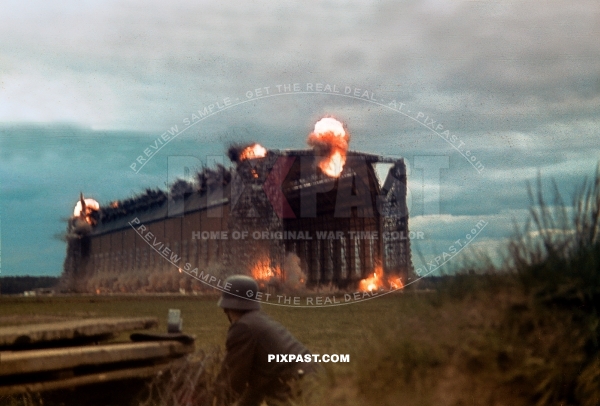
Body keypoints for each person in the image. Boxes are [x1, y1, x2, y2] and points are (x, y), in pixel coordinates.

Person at [216, 275, 317, 406]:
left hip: (299, 390)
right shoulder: (259, 321)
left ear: (226, 308)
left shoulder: (243, 328)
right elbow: (258, 387)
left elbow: (231, 383)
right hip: (314, 384)